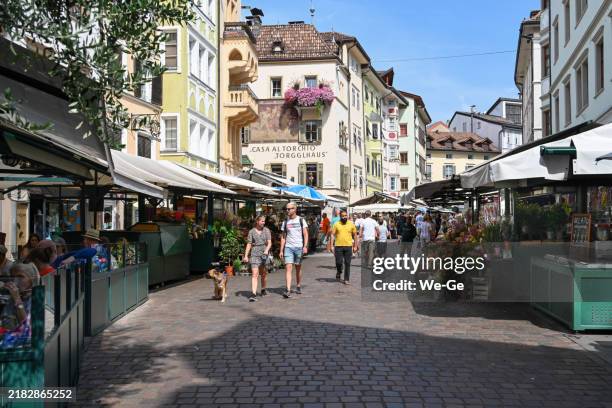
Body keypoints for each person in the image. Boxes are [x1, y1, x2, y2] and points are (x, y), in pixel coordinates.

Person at [0, 262, 38, 348]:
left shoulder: (35, 298)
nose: (15, 281)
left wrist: (17, 299)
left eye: (20, 277)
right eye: (13, 277)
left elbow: (27, 328)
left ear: (32, 279)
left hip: (23, 347)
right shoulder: (13, 297)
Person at [279, 202, 308, 298]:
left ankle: (298, 285)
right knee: (288, 268)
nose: (287, 210)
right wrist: (281, 250)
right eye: (286, 209)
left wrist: (305, 246)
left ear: (294, 209)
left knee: (298, 267)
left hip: (298, 247)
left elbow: (305, 234)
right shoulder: (285, 221)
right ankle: (288, 290)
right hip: (288, 247)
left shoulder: (301, 220)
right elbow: (283, 236)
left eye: (289, 209)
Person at [243, 215, 272, 302]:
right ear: (257, 221)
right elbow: (249, 243)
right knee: (255, 274)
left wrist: (266, 250)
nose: (264, 222)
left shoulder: (266, 230)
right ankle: (253, 294)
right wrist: (245, 255)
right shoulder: (251, 231)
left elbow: (269, 243)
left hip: (264, 253)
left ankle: (263, 289)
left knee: (263, 273)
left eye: (264, 221)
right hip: (254, 253)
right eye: (262, 221)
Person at [327, 210, 358, 284]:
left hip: (348, 246)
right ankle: (339, 271)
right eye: (342, 216)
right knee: (339, 262)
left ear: (347, 216)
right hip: (338, 246)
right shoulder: (336, 224)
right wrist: (331, 246)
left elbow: (355, 235)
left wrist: (355, 246)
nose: (344, 217)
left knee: (347, 263)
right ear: (340, 216)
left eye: (345, 216)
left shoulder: (351, 224)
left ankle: (346, 279)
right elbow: (332, 235)